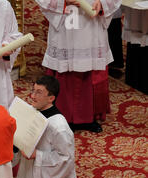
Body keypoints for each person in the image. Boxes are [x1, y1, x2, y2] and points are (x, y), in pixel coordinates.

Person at [13, 75, 115, 178]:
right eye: (33, 90)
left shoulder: (59, 127)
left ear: (51, 98)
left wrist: (37, 156)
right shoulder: (33, 112)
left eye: (39, 92)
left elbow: (66, 159)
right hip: (35, 176)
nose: (32, 96)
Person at [36, 0, 121, 132]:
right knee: (65, 68)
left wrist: (103, 3)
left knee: (91, 66)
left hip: (91, 19)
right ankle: (62, 114)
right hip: (67, 20)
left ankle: (88, 117)